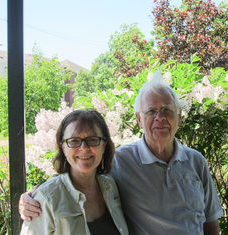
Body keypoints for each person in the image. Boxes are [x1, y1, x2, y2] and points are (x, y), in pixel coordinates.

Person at [19, 71, 223, 235]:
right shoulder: (121, 161)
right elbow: (77, 175)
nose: (160, 118)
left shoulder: (196, 161)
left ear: (179, 116)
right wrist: (33, 199)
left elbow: (211, 225)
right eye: (151, 111)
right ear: (139, 119)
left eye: (167, 110)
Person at [20, 109, 129, 235]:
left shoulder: (111, 187)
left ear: (103, 146)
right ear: (63, 147)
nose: (84, 148)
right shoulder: (45, 200)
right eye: (74, 141)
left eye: (92, 140)